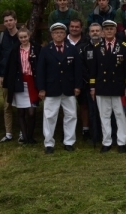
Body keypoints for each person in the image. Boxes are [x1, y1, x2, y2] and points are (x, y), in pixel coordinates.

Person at [36, 23, 84, 154]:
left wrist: (77, 86)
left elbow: (77, 69)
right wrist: (41, 88)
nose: (59, 35)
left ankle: (69, 142)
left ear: (65, 34)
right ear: (52, 35)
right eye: (56, 33)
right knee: (49, 116)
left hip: (69, 88)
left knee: (71, 115)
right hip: (51, 88)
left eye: (61, 33)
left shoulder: (71, 48)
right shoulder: (46, 50)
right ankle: (49, 143)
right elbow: (40, 71)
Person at [88, 20, 126, 153]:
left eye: (111, 29)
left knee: (120, 115)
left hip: (118, 86)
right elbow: (93, 70)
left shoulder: (123, 46)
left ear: (115, 30)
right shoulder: (97, 47)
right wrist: (92, 87)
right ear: (102, 31)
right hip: (102, 86)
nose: (108, 31)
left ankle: (121, 142)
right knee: (104, 115)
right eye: (106, 29)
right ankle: (106, 142)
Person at [4, 26, 42, 145]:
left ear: (29, 36)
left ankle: (30, 136)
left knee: (31, 112)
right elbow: (10, 68)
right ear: (18, 38)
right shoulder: (15, 50)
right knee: (21, 112)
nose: (23, 39)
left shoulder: (36, 48)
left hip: (32, 82)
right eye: (21, 37)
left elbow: (41, 65)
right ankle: (25, 137)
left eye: (25, 37)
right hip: (19, 82)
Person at [0, 10, 19, 143]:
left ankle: (23, 131)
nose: (8, 23)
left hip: (20, 75)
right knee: (7, 105)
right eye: (6, 21)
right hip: (5, 74)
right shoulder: (1, 37)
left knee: (22, 106)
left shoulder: (22, 35)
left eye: (10, 20)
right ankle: (8, 133)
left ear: (15, 20)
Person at [67, 18, 92, 141]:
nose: (74, 29)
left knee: (84, 105)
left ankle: (85, 129)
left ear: (81, 28)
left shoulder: (87, 41)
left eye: (77, 27)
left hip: (84, 79)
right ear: (69, 27)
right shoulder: (63, 41)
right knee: (67, 106)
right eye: (72, 26)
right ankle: (67, 131)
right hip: (67, 78)